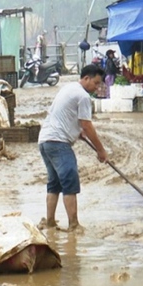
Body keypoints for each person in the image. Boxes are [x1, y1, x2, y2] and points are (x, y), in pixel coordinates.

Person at [38, 64, 108, 232]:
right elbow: (87, 125)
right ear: (86, 78)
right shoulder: (83, 96)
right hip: (58, 142)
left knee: (54, 183)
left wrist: (77, 133)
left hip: (45, 140)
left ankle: (50, 222)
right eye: (96, 83)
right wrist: (101, 150)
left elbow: (65, 116)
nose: (97, 87)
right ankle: (74, 225)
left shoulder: (68, 88)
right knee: (69, 181)